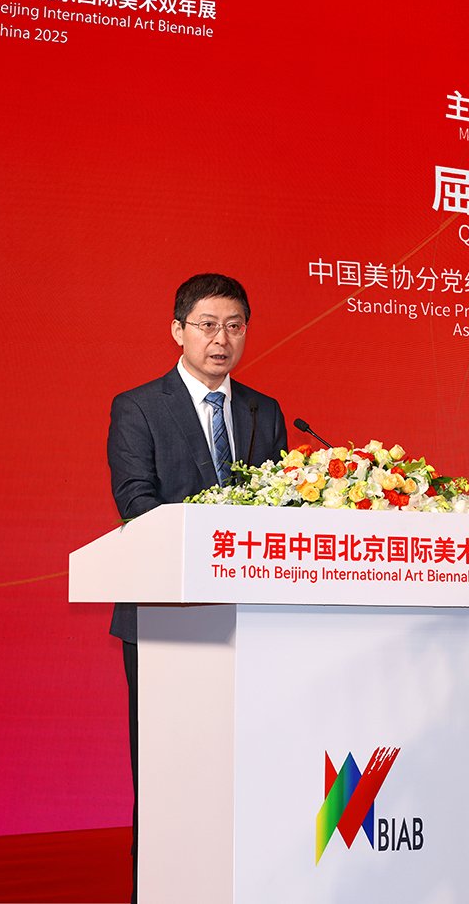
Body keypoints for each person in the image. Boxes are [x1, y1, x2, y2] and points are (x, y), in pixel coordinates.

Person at [106, 272, 287, 902]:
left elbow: (281, 509)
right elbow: (136, 501)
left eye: (235, 327)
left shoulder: (264, 410)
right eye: (208, 326)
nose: (221, 339)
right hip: (166, 617)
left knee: (245, 764)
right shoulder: (137, 407)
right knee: (167, 767)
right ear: (178, 331)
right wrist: (211, 540)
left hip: (249, 619)